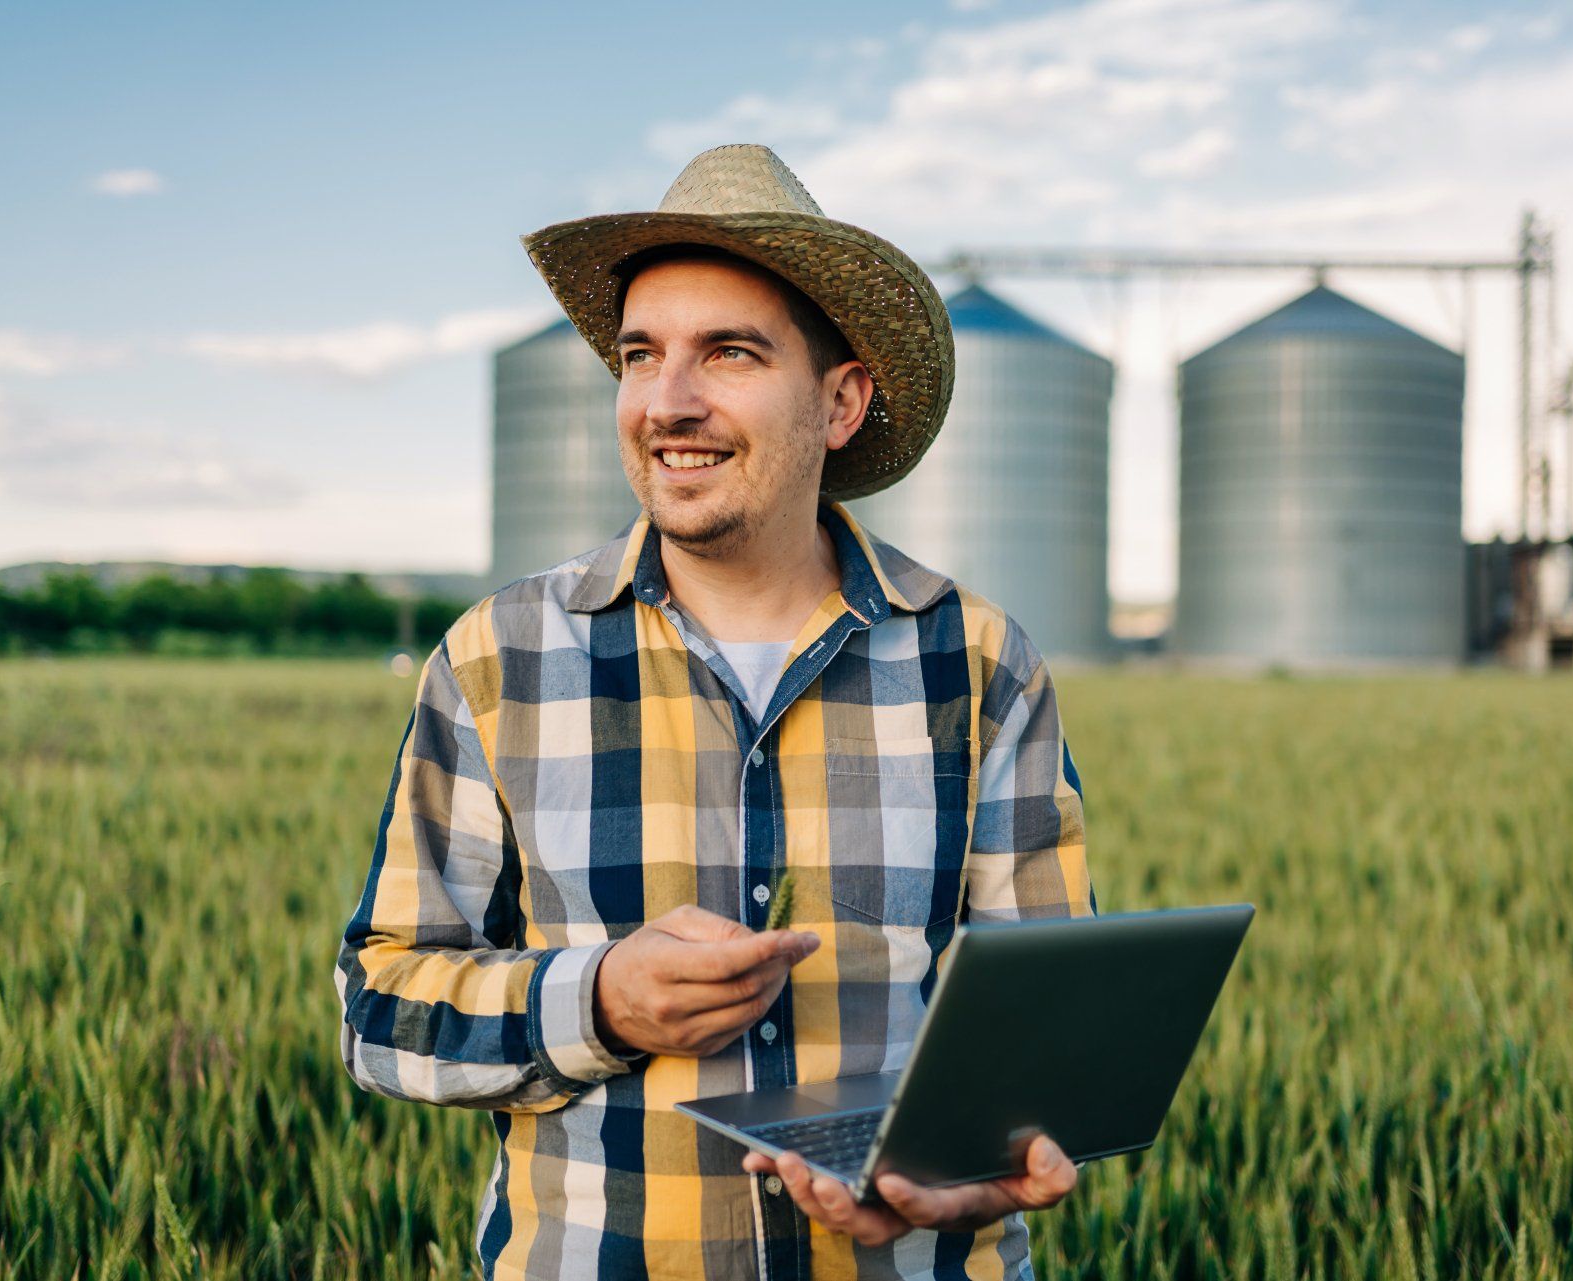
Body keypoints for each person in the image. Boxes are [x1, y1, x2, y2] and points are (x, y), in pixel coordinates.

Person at [334, 143, 1097, 1281]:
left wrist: (956, 1170)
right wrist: (598, 1000)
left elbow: (1049, 1029)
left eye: (729, 354)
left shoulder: (976, 661)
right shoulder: (501, 659)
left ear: (840, 402)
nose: (667, 403)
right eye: (641, 357)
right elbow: (380, 1009)